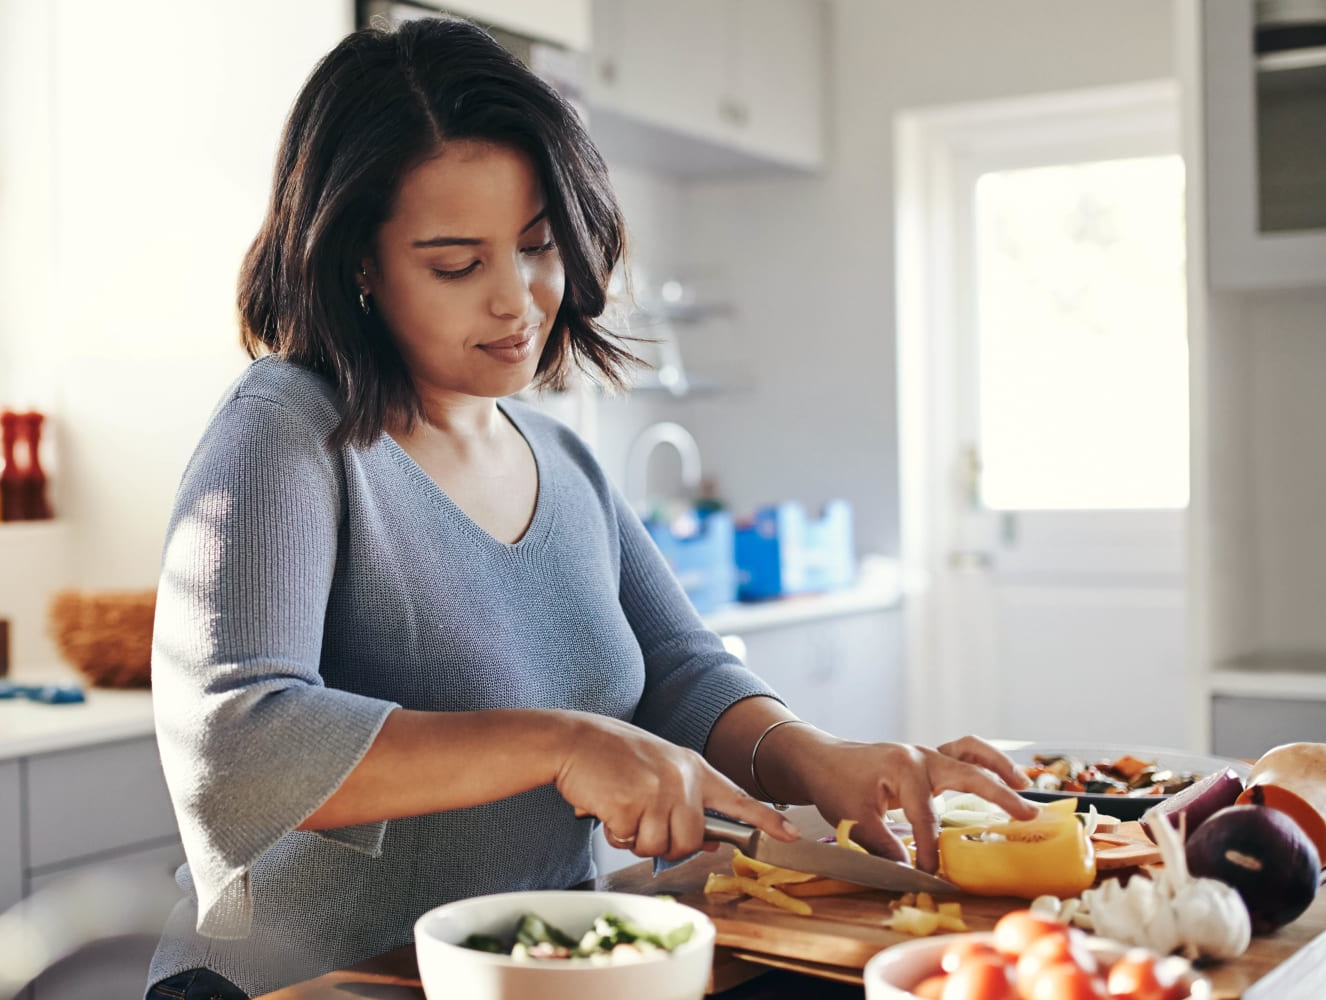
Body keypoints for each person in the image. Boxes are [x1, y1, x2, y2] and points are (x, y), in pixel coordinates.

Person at [145, 17, 1037, 999]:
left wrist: (815, 757)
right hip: (306, 982)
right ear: (357, 261)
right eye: (455, 263)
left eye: (536, 246)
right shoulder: (283, 429)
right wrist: (563, 741)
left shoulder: (559, 456)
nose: (517, 300)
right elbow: (236, 745)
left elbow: (680, 671)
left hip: (536, 969)